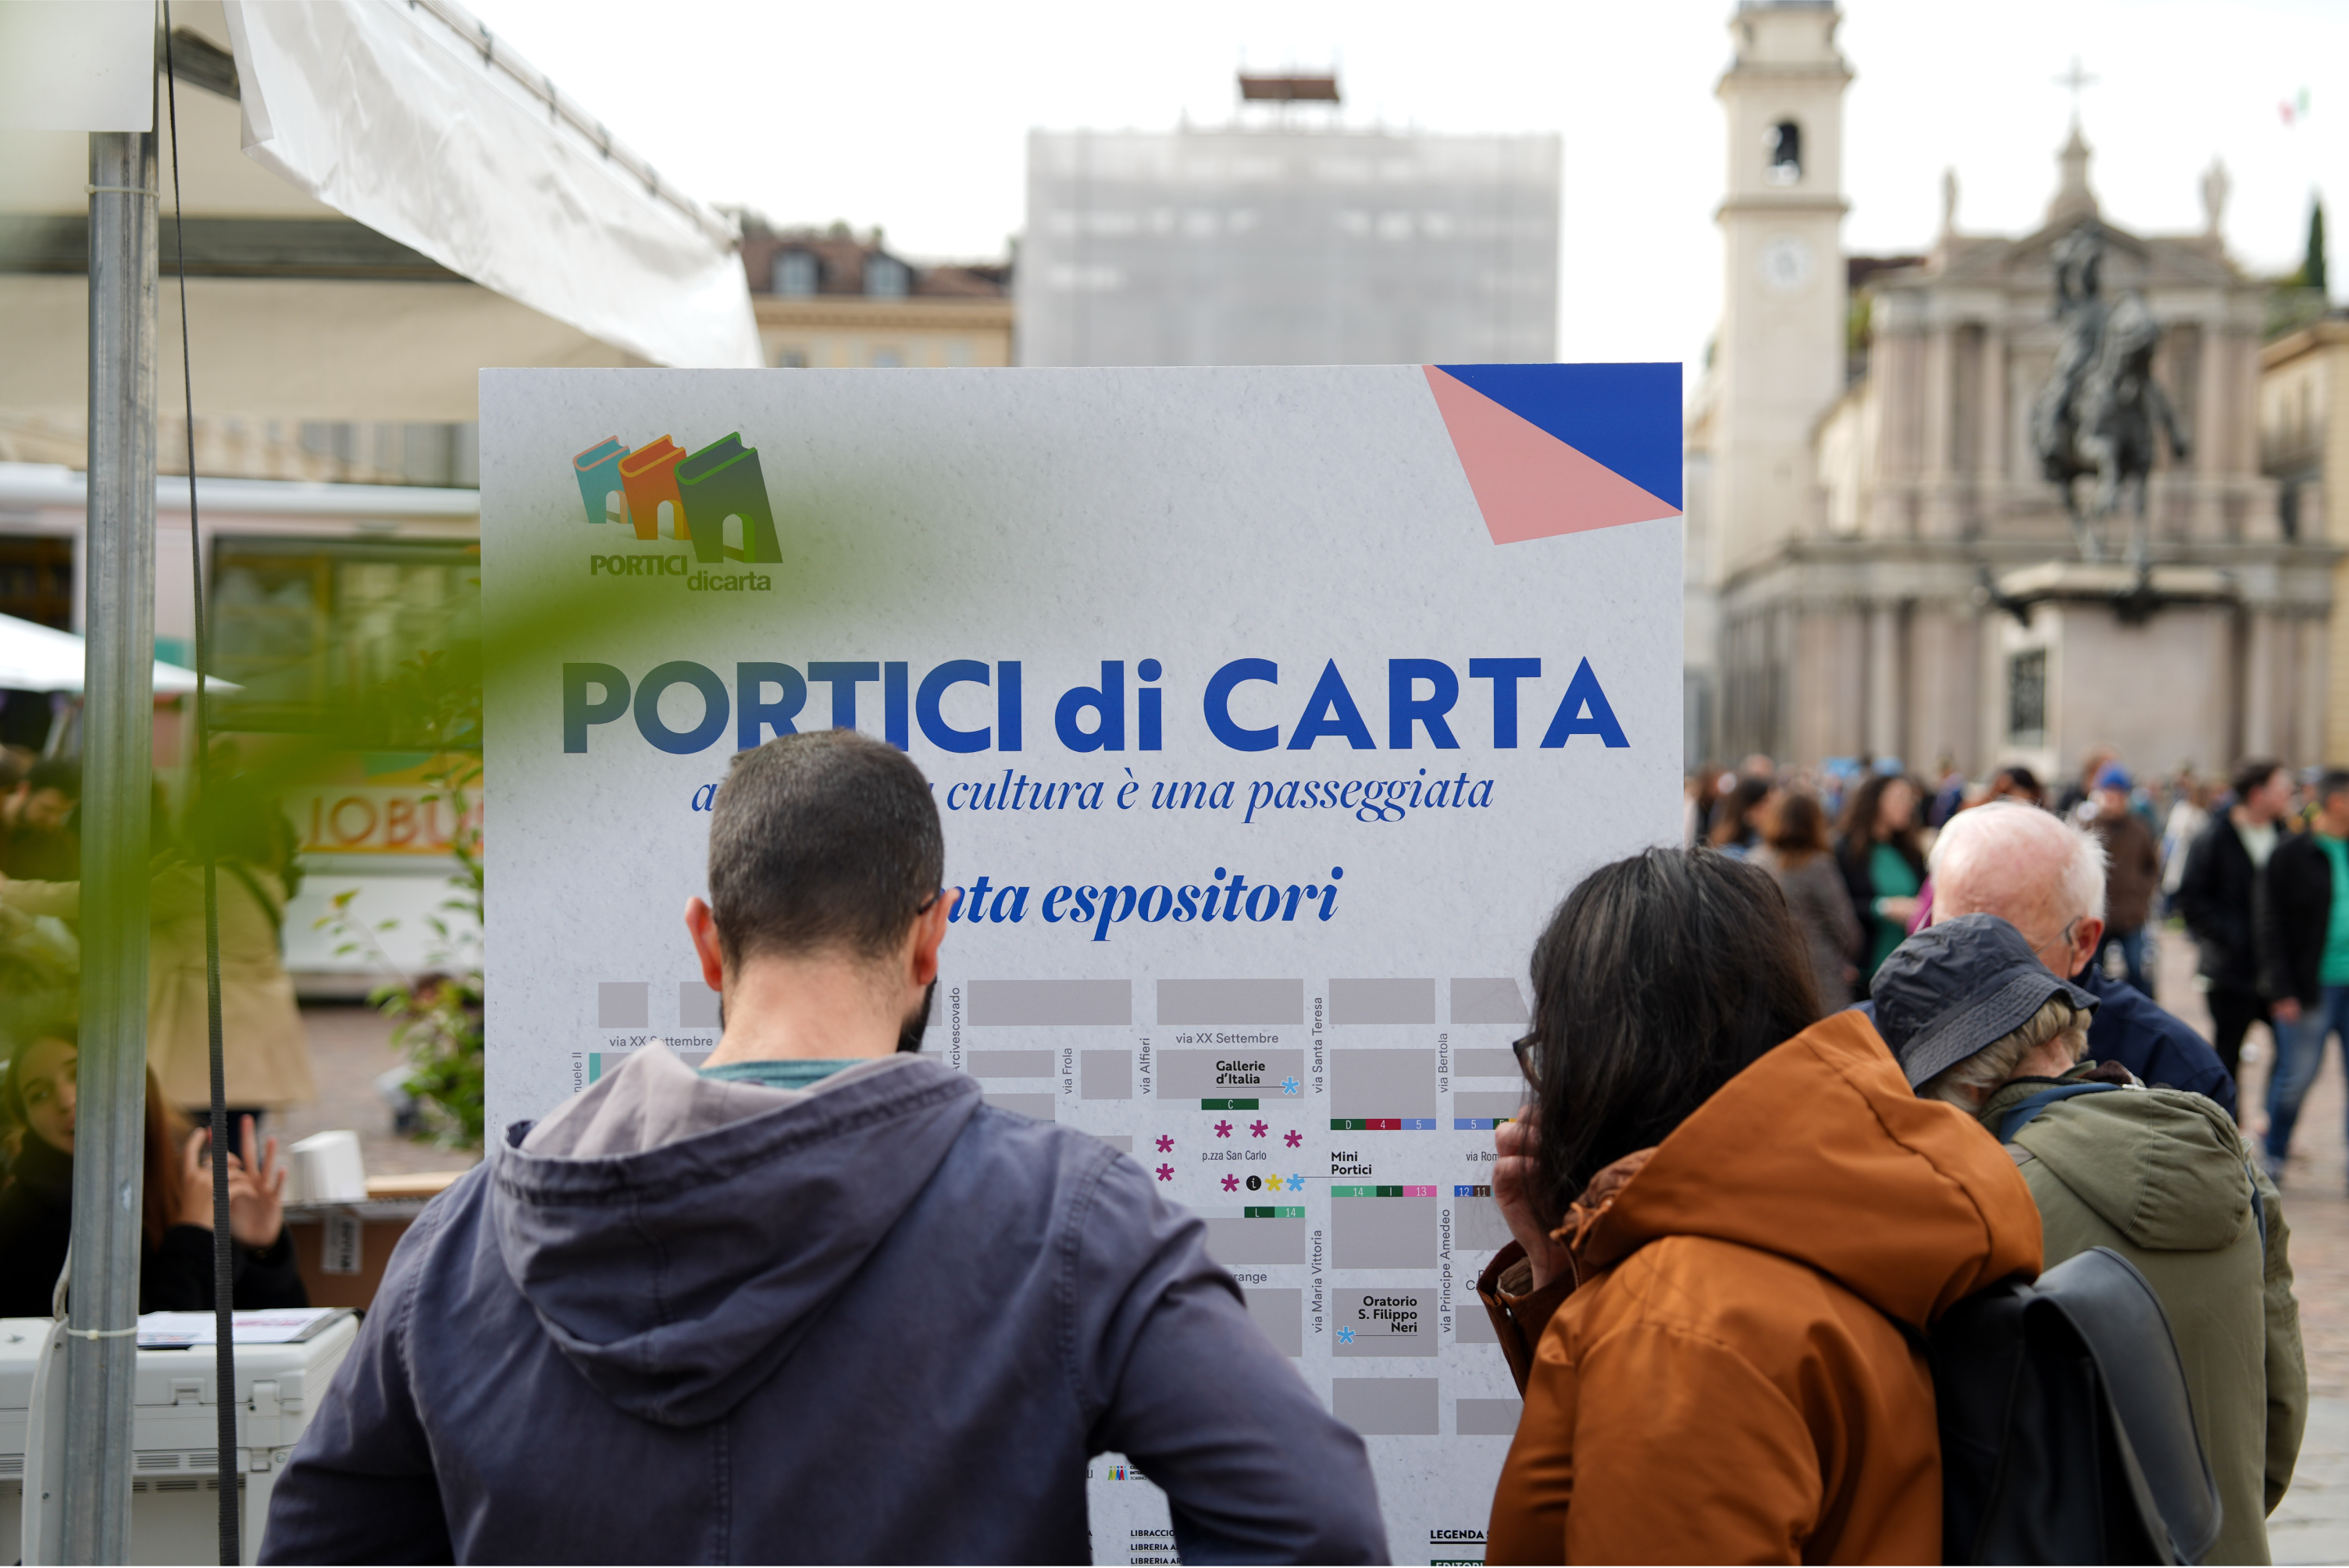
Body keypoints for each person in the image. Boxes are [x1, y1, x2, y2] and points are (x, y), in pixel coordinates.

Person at [262, 730, 1385, 1565]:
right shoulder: (1069, 1222)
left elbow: (320, 1544)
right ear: (929, 936)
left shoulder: (466, 1239)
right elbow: (1315, 1526)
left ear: (709, 942)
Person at [1476, 850, 2040, 1563]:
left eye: (1552, 1050)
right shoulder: (1826, 1213)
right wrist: (1563, 1274)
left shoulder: (1677, 1323)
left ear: (1606, 1062)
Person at [1872, 914, 2304, 1566]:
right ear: (2061, 1029)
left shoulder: (1973, 1210)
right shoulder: (2229, 1159)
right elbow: (2275, 1429)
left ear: (1957, 1083)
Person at [0, 775, 314, 1122]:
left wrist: (9, 891)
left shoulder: (199, 883)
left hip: (206, 1046)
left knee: (197, 1140)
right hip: (253, 1042)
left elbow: (90, 899)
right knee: (235, 1137)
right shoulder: (260, 880)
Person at [1929, 799, 2237, 1114]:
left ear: (2083, 942)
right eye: (1946, 938)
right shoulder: (1884, 1036)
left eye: (2004, 954)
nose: (1968, 970)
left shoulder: (2175, 1071)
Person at [0, 1024, 304, 1317]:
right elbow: (140, 1353)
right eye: (38, 1095)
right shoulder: (27, 1216)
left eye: (80, 1072)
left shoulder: (186, 1175)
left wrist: (262, 1250)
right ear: (29, 1123)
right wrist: (194, 1234)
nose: (66, 1101)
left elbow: (277, 1338)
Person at [2179, 760, 2295, 1082]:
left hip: (2277, 971)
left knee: (2290, 1054)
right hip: (2230, 971)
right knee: (2228, 1056)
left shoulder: (2286, 836)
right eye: (2282, 787)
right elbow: (2189, 898)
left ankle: (2271, 1124)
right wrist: (2233, 936)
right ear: (2258, 794)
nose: (2289, 794)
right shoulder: (2214, 837)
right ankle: (2230, 1127)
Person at [2258, 768, 2349, 1180]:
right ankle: (2275, 1151)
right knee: (2296, 1077)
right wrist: (2282, 988)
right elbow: (2270, 923)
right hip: (2311, 984)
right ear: (2337, 803)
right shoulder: (2292, 852)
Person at [1752, 789, 1862, 1008]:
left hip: (1771, 974)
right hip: (1819, 976)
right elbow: (1844, 926)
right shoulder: (1817, 865)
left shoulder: (1756, 861)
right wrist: (1849, 956)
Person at [1835, 772, 1926, 985]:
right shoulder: (1847, 850)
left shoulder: (1910, 850)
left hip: (1910, 966)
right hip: (1864, 967)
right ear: (1875, 802)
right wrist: (1882, 907)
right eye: (1900, 798)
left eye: (1910, 798)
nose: (1908, 805)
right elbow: (1838, 908)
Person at [2089, 763, 2162, 993]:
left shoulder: (2139, 829)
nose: (2113, 800)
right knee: (2093, 972)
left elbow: (2152, 865)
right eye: (2108, 793)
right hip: (2097, 914)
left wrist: (2141, 892)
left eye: (2118, 795)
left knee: (2137, 969)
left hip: (2130, 915)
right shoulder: (2088, 826)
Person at [0, 756, 78, 881]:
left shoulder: (60, 845)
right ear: (24, 789)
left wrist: (9, 889)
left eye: (62, 813)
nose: (54, 821)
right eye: (47, 809)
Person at [1706, 774, 1771, 857]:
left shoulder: (1758, 839)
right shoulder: (1734, 852)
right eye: (1766, 801)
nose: (1771, 808)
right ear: (1749, 808)